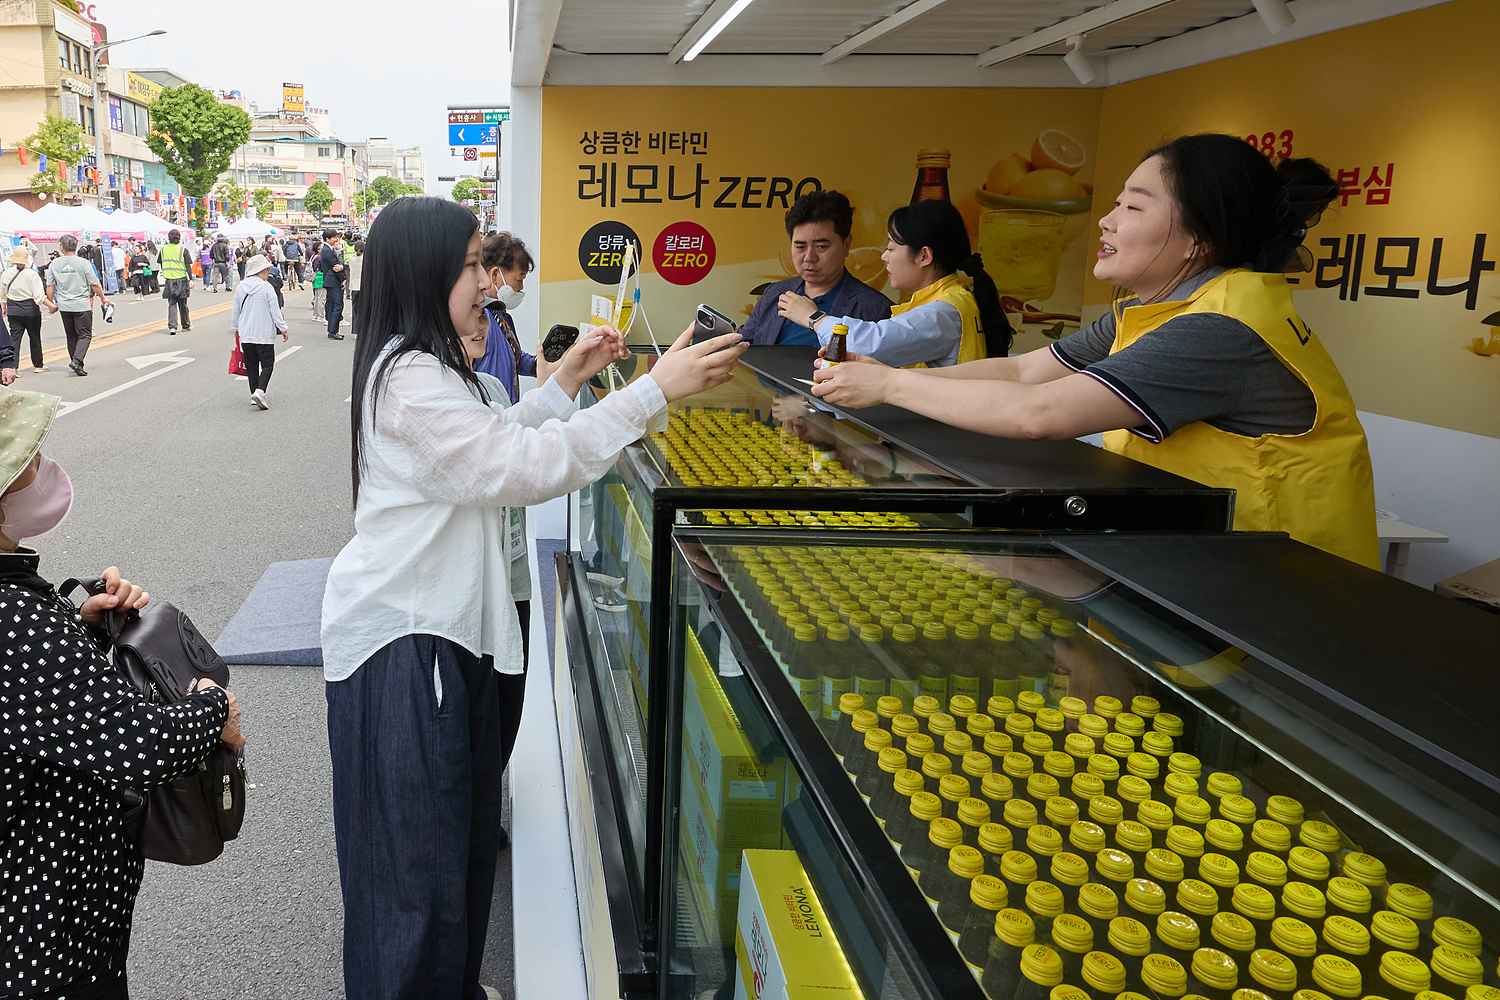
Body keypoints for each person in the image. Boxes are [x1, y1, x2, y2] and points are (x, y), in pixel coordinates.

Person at [321, 196, 746, 1000]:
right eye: (475, 265)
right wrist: (651, 392)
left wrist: (573, 377)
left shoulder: (436, 366)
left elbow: (503, 436)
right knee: (416, 873)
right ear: (428, 271)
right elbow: (517, 471)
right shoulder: (410, 380)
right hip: (410, 643)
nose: (489, 281)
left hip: (454, 637)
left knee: (459, 844)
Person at [812, 133, 1379, 569]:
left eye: (1134, 208)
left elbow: (1043, 413)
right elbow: (1025, 369)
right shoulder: (1155, 309)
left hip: (1274, 581)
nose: (1105, 222)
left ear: (1199, 240)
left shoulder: (1218, 329)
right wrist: (881, 370)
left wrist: (890, 386)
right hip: (1206, 556)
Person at [0, 388, 246, 1000]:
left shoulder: (24, 615)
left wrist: (78, 624)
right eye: (28, 459)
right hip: (46, 935)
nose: (43, 468)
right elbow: (140, 745)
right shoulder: (19, 627)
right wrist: (214, 708)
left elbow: (35, 705)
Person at [779, 198, 1009, 367]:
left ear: (923, 256)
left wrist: (814, 318)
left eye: (891, 247)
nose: (884, 256)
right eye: (799, 246)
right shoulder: (951, 298)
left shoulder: (942, 312)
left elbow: (870, 343)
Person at [740, 190, 892, 346]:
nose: (809, 257)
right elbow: (744, 345)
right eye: (800, 246)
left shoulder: (875, 309)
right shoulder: (774, 293)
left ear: (846, 245)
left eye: (821, 246)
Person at [45, 234, 109, 377]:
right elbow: (94, 284)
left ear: (61, 246)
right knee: (85, 335)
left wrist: (50, 303)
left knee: (71, 335)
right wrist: (103, 298)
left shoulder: (54, 264)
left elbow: (50, 286)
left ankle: (77, 364)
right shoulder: (83, 263)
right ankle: (77, 360)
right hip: (81, 304)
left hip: (64, 305)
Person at [230, 254, 289, 410]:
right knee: (268, 364)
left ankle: (253, 393)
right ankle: (260, 391)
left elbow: (236, 310)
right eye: (267, 269)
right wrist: (283, 328)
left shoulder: (241, 287)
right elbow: (275, 311)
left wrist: (235, 328)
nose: (268, 272)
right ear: (261, 270)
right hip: (263, 334)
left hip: (246, 333)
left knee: (252, 365)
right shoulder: (266, 287)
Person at [2, 246, 53, 375]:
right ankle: (38, 365)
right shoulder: (32, 274)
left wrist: (3, 306)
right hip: (31, 311)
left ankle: (14, 367)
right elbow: (39, 297)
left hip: (13, 310)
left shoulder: (6, 273)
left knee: (14, 339)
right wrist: (51, 305)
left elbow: (2, 294)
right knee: (34, 337)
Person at [160, 227, 194, 334]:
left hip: (169, 279)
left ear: (169, 238)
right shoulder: (183, 250)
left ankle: (172, 327)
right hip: (182, 279)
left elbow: (160, 262)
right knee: (183, 304)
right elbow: (188, 266)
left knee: (172, 303)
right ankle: (185, 325)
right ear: (179, 238)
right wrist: (191, 279)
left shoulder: (163, 250)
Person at [319, 229, 346, 340]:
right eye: (334, 237)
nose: (336, 239)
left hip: (330, 281)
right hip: (333, 281)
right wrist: (343, 278)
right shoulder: (326, 250)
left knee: (332, 305)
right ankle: (333, 331)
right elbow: (336, 267)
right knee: (337, 305)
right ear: (327, 239)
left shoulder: (328, 249)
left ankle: (332, 329)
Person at [348, 238, 363, 328]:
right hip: (363, 287)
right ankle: (363, 329)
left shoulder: (351, 259)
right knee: (364, 309)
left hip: (354, 286)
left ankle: (356, 329)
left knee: (355, 310)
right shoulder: (365, 259)